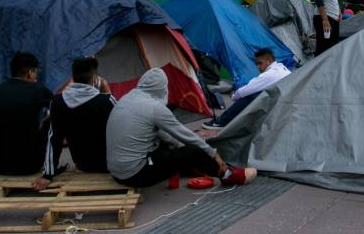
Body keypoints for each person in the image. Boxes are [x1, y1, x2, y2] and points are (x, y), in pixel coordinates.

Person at [106, 68, 256, 187]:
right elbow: (184, 135)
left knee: (173, 146)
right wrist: (213, 154)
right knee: (193, 150)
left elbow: (164, 134)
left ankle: (199, 167)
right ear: (162, 88)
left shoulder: (127, 98)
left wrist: (178, 147)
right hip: (135, 175)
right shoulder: (154, 107)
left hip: (117, 172)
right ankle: (228, 175)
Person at [33, 57, 116, 190]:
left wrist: (47, 175)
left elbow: (54, 139)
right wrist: (106, 92)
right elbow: (121, 124)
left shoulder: (57, 102)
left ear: (73, 77)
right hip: (111, 165)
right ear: (95, 78)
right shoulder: (106, 101)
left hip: (83, 164)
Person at [0, 52, 53, 175]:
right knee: (53, 120)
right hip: (31, 165)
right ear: (30, 73)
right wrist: (45, 121)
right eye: (36, 73)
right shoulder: (39, 90)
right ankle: (46, 160)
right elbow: (60, 109)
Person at [202, 49, 291, 130]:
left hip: (282, 103)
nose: (258, 67)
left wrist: (234, 96)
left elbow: (246, 90)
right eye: (257, 64)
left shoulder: (271, 74)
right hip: (286, 101)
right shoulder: (281, 68)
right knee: (255, 93)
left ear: (268, 62)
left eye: (260, 63)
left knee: (250, 96)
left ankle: (221, 122)